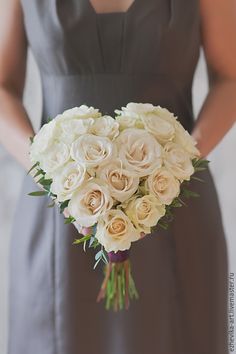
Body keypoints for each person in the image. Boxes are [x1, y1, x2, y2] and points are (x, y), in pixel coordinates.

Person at [0, 0, 235, 353]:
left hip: (173, 202)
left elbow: (230, 77)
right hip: (60, 210)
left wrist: (179, 161)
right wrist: (45, 168)